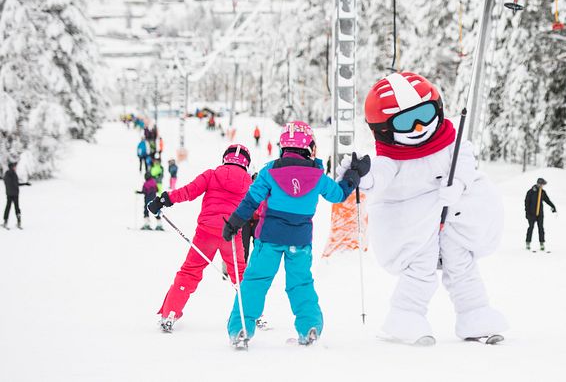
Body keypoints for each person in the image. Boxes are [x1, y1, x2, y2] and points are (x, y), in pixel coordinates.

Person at [350, 72, 507, 345]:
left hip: (452, 217)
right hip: (416, 223)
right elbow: (380, 175)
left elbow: (465, 161)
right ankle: (405, 317)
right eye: (407, 121)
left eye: (425, 114)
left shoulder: (450, 141)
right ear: (385, 128)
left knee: (461, 264)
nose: (420, 127)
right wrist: (364, 176)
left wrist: (457, 184)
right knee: (420, 268)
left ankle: (475, 315)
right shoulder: (393, 157)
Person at [222, 121, 365, 347]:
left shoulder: (270, 171)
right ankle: (310, 327)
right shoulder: (317, 175)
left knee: (255, 282)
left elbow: (251, 200)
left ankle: (240, 329)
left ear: (283, 146)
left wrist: (233, 223)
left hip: (268, 238)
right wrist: (352, 176)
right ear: (309, 147)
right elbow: (338, 195)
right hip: (299, 242)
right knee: (300, 284)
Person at [147, 144, 253, 332]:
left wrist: (163, 200)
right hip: (232, 235)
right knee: (241, 275)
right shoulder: (249, 183)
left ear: (224, 159)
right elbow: (257, 207)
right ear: (247, 164)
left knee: (189, 272)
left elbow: (188, 191)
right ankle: (253, 313)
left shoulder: (211, 174)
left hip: (206, 234)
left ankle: (170, 313)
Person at [524, 178, 557, 252]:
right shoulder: (530, 192)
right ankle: (528, 242)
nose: (542, 186)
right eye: (542, 184)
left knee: (541, 228)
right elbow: (526, 203)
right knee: (531, 228)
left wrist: (553, 206)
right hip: (531, 214)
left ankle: (542, 243)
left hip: (540, 214)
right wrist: (527, 213)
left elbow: (547, 200)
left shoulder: (542, 192)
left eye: (543, 185)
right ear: (538, 184)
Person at [3, 162, 31, 229]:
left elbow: (8, 183)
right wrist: (25, 183)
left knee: (8, 208)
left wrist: (24, 184)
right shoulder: (12, 174)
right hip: (14, 194)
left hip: (10, 194)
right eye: (14, 166)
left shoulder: (7, 174)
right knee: (16, 208)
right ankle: (18, 222)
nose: (15, 167)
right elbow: (16, 184)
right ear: (11, 167)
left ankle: (5, 222)